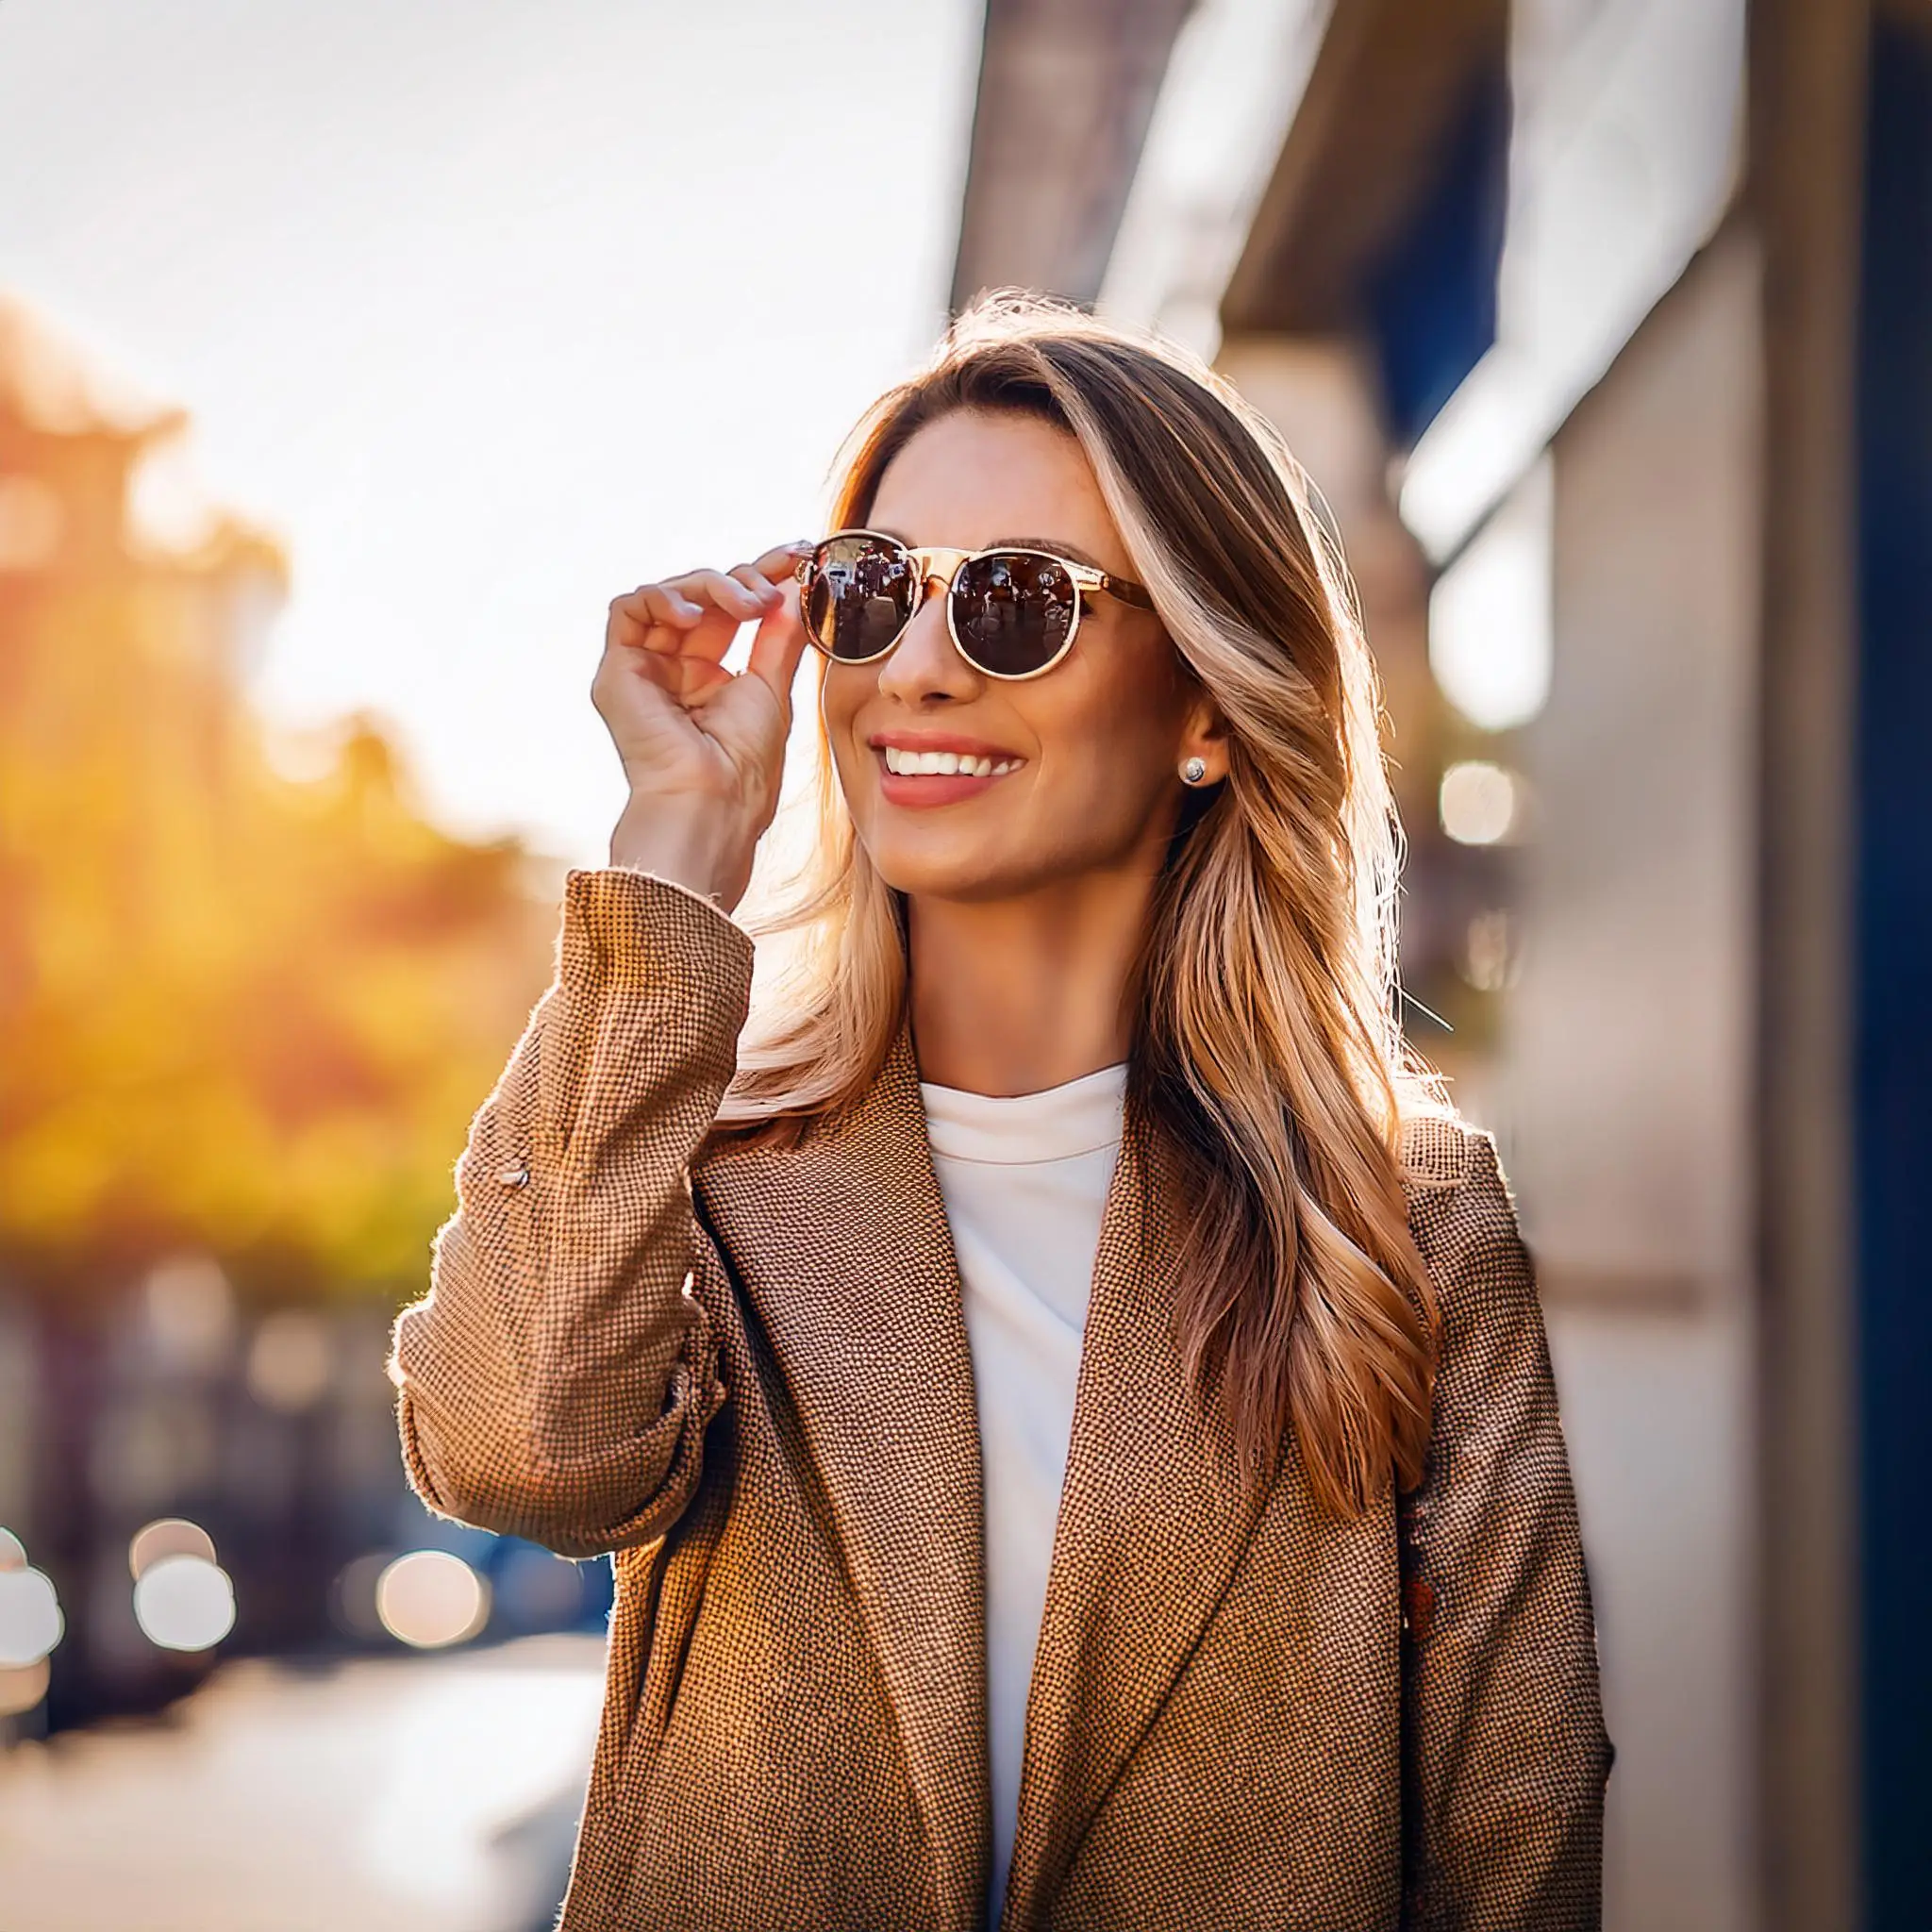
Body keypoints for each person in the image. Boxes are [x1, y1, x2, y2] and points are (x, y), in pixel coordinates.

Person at [389, 291, 1613, 1931]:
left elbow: (1515, 1841)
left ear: (1203, 705)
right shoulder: (709, 1162)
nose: (921, 670)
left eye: (1022, 602)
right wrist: (678, 843)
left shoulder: (1404, 1221)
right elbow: (517, 1454)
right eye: (873, 593)